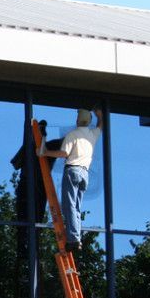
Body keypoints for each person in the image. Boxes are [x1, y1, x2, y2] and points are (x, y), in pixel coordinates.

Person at [40, 108, 102, 252]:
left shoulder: (73, 135)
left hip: (73, 171)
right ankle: (77, 239)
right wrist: (100, 116)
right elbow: (100, 126)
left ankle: (73, 239)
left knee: (69, 206)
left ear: (77, 121)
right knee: (77, 207)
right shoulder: (91, 135)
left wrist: (45, 152)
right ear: (89, 121)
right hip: (84, 174)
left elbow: (64, 153)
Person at [12, 120, 61, 261]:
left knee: (31, 220)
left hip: (36, 187)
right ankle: (25, 248)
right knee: (27, 220)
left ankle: (29, 248)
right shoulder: (37, 148)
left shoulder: (45, 148)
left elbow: (16, 163)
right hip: (31, 187)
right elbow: (16, 163)